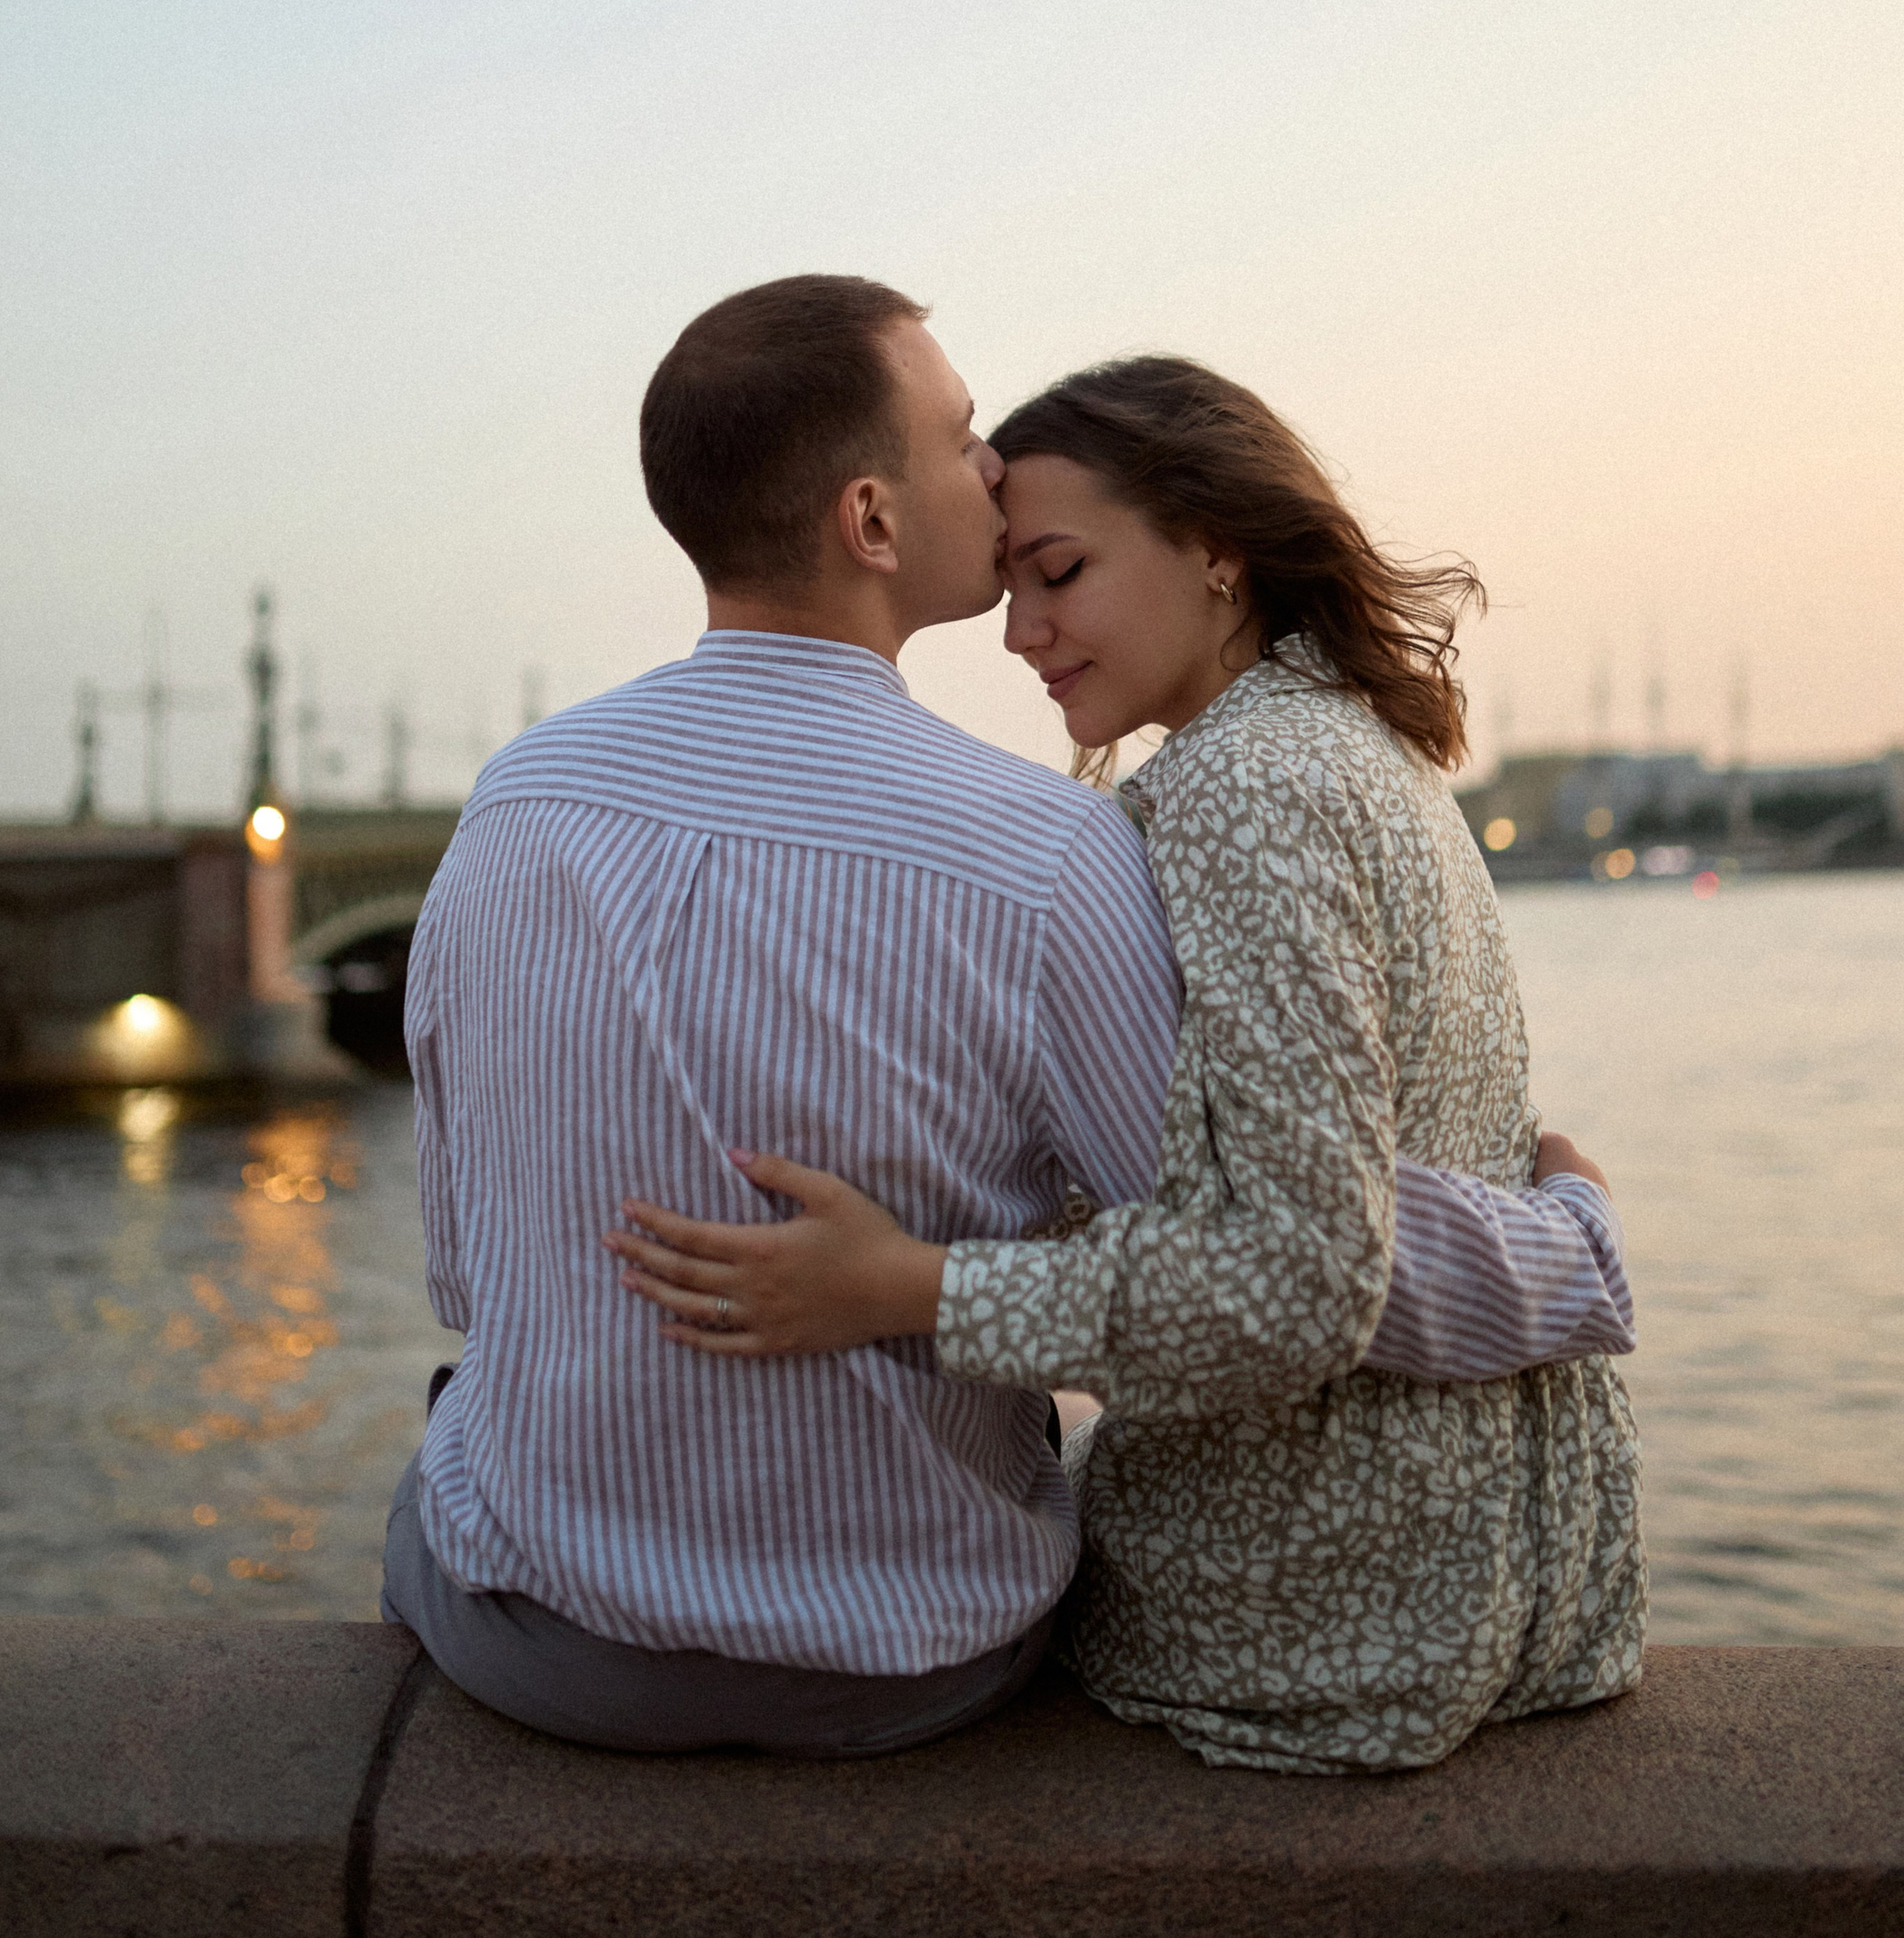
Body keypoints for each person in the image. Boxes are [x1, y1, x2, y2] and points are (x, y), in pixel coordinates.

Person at [387, 278, 1633, 1759]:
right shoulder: (1053, 856)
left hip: (536, 1646)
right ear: (868, 520)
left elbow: (465, 1271)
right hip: (907, 1657)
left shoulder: (510, 804)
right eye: (963, 435)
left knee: (455, 1431)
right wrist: (1568, 1253)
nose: (987, 469)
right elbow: (1274, 1254)